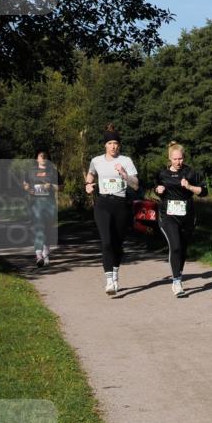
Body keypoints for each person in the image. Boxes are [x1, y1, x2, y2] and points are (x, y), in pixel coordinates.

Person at [84, 125, 139, 295]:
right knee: (106, 241)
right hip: (103, 204)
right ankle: (109, 281)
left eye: (116, 143)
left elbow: (135, 185)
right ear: (105, 145)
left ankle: (115, 273)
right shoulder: (96, 160)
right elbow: (91, 174)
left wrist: (124, 174)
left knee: (117, 243)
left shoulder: (126, 161)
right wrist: (88, 185)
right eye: (110, 143)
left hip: (121, 205)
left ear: (119, 145)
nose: (113, 146)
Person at [155, 141, 207, 297]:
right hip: (168, 216)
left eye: (181, 159)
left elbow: (204, 192)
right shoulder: (162, 174)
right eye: (175, 159)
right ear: (169, 158)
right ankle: (177, 282)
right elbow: (156, 188)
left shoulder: (191, 173)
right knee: (175, 246)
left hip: (187, 217)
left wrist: (190, 187)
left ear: (184, 158)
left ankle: (178, 273)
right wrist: (158, 190)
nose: (178, 162)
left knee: (182, 249)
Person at [22, 148, 58, 267]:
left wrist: (51, 186)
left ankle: (46, 254)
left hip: (49, 204)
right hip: (35, 204)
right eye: (41, 156)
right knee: (38, 229)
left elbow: (61, 187)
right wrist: (27, 188)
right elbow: (25, 184)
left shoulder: (53, 171)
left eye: (46, 156)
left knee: (47, 229)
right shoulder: (30, 171)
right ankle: (38, 256)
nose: (43, 158)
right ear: (36, 158)